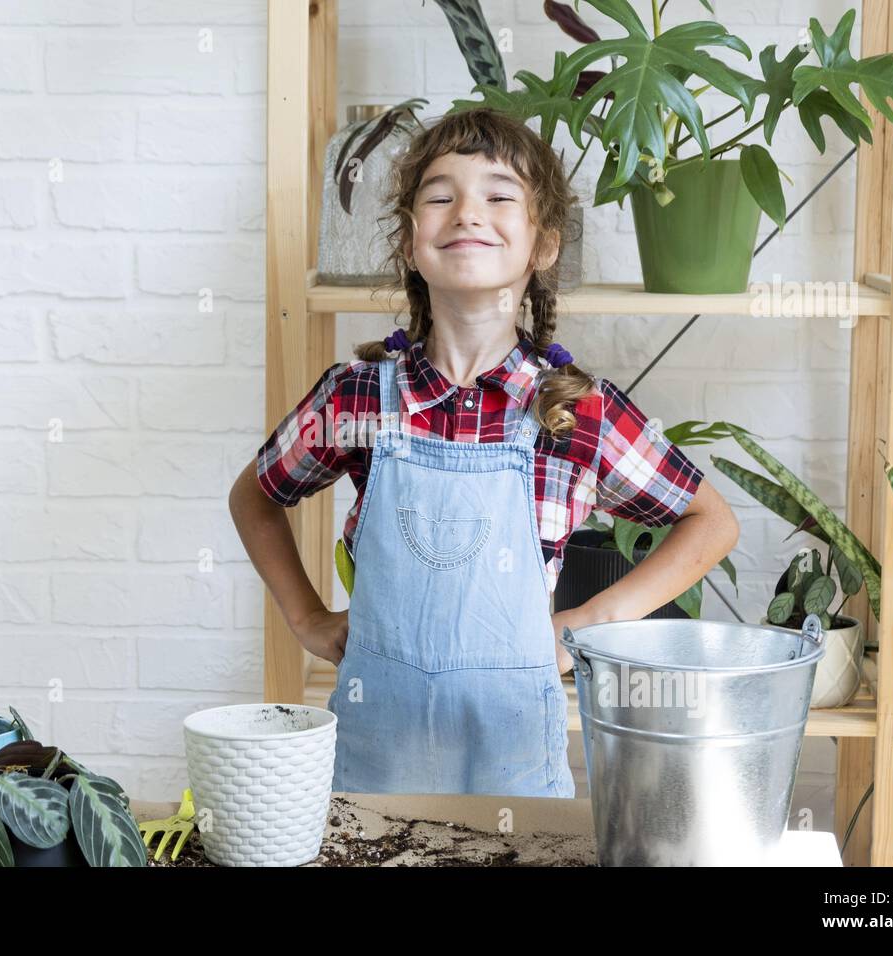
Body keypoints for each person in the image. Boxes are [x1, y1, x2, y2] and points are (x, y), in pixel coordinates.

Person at [228, 108, 739, 799]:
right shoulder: (356, 399)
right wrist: (306, 618)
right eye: (440, 196)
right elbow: (255, 494)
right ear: (411, 243)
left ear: (544, 245)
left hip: (515, 775)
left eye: (499, 196)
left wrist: (586, 624)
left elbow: (711, 521)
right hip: (373, 772)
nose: (467, 211)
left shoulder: (575, 413)